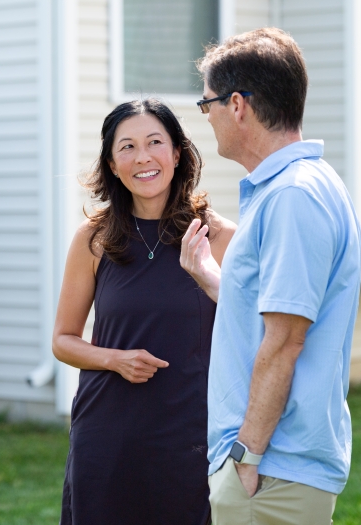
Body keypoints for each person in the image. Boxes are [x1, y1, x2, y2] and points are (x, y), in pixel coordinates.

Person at [180, 28, 361, 524]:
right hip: (275, 471)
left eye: (207, 104)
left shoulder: (291, 196)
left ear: (237, 105)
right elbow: (278, 311)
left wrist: (245, 458)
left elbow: (285, 341)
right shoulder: (298, 187)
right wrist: (215, 279)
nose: (208, 117)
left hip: (271, 472)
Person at [53, 98, 235, 524]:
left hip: (191, 437)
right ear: (113, 164)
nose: (143, 157)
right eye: (127, 147)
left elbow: (251, 332)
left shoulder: (221, 237)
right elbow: (63, 340)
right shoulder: (93, 238)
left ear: (177, 153)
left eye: (155, 142)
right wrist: (114, 360)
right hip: (106, 437)